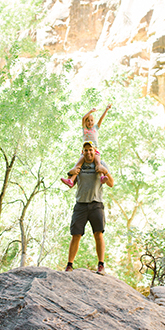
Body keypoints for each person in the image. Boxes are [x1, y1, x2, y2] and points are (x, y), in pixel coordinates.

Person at [64, 141, 114, 275]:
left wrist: (106, 172)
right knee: (76, 234)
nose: (88, 152)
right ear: (83, 152)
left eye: (90, 150)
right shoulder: (78, 167)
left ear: (94, 151)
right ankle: (69, 265)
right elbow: (70, 184)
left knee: (98, 233)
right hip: (80, 204)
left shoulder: (101, 164)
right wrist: (70, 172)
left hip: (96, 204)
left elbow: (111, 184)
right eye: (85, 150)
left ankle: (101, 265)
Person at [61, 104, 112, 188]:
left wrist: (106, 109)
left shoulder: (95, 128)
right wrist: (91, 111)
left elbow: (101, 119)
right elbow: (83, 118)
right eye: (88, 120)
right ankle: (71, 180)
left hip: (94, 151)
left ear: (94, 122)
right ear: (85, 122)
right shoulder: (84, 129)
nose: (90, 122)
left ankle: (102, 177)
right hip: (84, 151)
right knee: (78, 165)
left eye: (92, 120)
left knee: (98, 163)